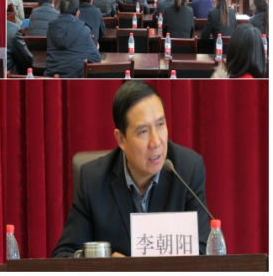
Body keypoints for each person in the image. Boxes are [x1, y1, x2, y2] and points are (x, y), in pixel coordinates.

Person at [51, 80, 212, 257]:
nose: (156, 142)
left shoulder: (188, 170)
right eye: (143, 131)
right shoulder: (93, 181)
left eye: (160, 125)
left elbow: (203, 251)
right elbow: (63, 255)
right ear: (121, 139)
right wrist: (106, 265)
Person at [44, 0, 101, 78]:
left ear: (60, 12)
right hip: (75, 79)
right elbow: (96, 59)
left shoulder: (50, 28)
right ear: (78, 13)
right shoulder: (85, 30)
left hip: (51, 78)